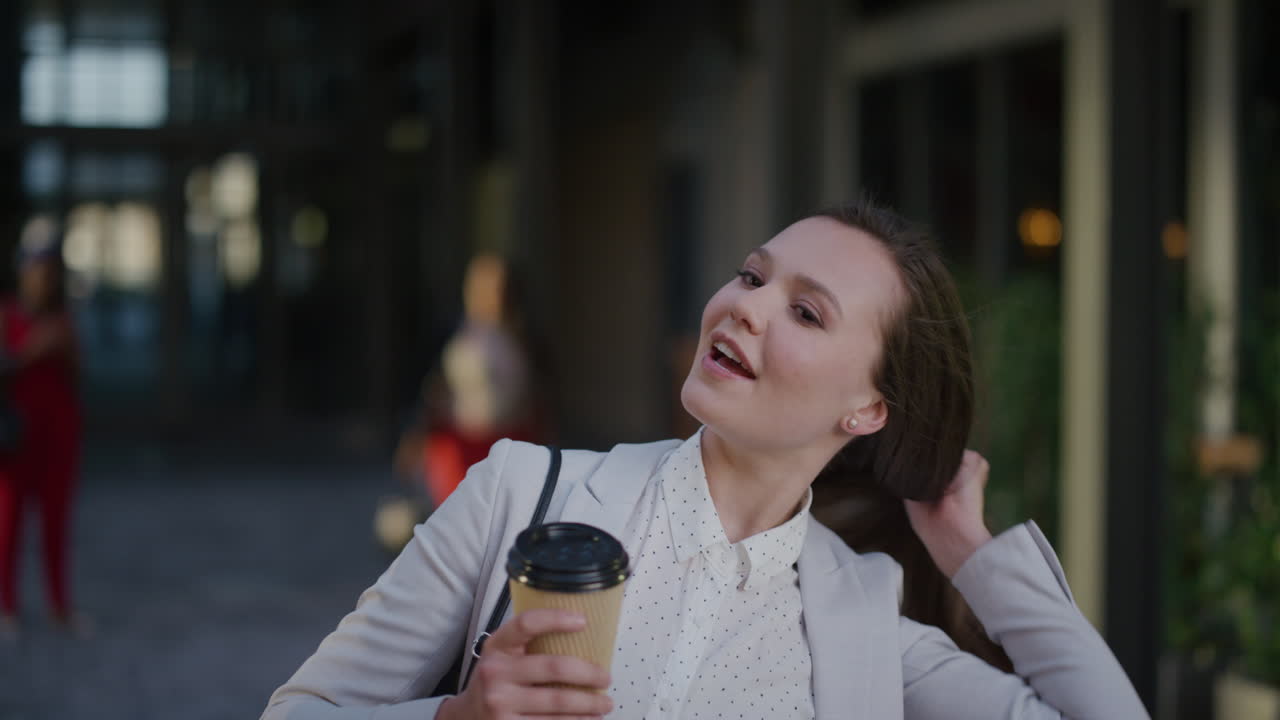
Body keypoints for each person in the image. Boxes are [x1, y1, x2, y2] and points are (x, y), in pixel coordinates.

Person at [263, 197, 1149, 719]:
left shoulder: (866, 619)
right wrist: (456, 719)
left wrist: (973, 556)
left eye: (807, 312)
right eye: (753, 275)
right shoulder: (519, 494)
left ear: (868, 409)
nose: (745, 307)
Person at [0, 217, 83, 637]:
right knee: (9, 521)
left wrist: (63, 347)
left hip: (59, 431)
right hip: (17, 434)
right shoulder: (7, 315)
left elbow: (78, 374)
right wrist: (33, 349)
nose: (44, 278)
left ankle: (58, 606)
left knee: (55, 521)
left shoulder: (63, 320)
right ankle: (7, 606)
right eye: (37, 267)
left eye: (50, 270)